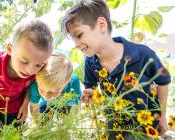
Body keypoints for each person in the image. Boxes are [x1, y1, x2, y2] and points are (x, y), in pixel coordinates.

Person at [61, 0, 171, 139]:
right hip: (114, 124)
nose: (76, 45)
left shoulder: (142, 54)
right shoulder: (90, 62)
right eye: (73, 40)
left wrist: (162, 116)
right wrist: (91, 98)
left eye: (79, 35)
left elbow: (163, 81)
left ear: (101, 25)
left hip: (145, 126)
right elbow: (92, 91)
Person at [0, 20, 53, 134]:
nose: (30, 70)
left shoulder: (38, 69)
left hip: (17, 112)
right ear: (10, 49)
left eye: (38, 65)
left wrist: (26, 103)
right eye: (24, 61)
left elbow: (31, 84)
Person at [29, 51, 81, 116]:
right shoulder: (36, 84)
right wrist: (39, 123)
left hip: (66, 103)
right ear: (36, 77)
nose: (47, 96)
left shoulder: (73, 82)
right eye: (42, 89)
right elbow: (34, 108)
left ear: (67, 82)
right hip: (46, 104)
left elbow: (77, 103)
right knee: (44, 120)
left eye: (55, 91)